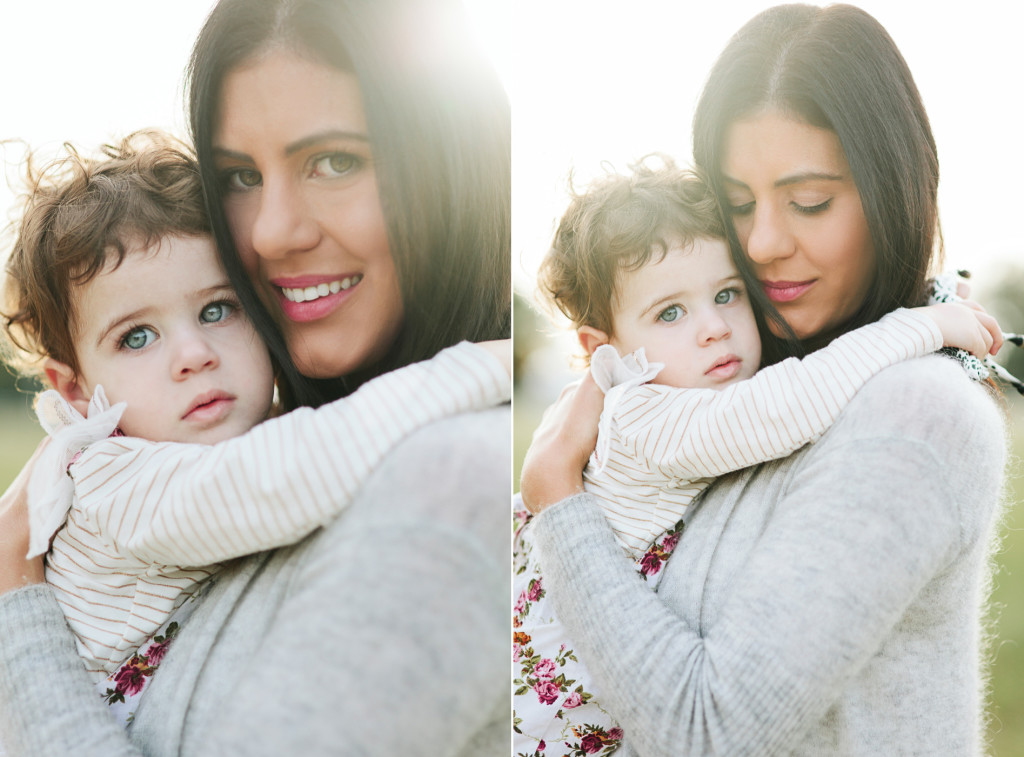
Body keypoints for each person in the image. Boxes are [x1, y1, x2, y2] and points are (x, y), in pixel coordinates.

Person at [0, 0, 511, 754]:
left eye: (218, 309)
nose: (192, 354)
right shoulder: (113, 476)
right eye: (238, 175)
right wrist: (479, 365)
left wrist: (15, 601)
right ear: (75, 390)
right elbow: (290, 470)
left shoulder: (449, 482)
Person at [518, 5, 1008, 756]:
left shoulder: (915, 411)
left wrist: (558, 498)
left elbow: (707, 731)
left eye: (809, 202)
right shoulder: (733, 380)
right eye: (737, 205)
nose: (764, 243)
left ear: (892, 192)